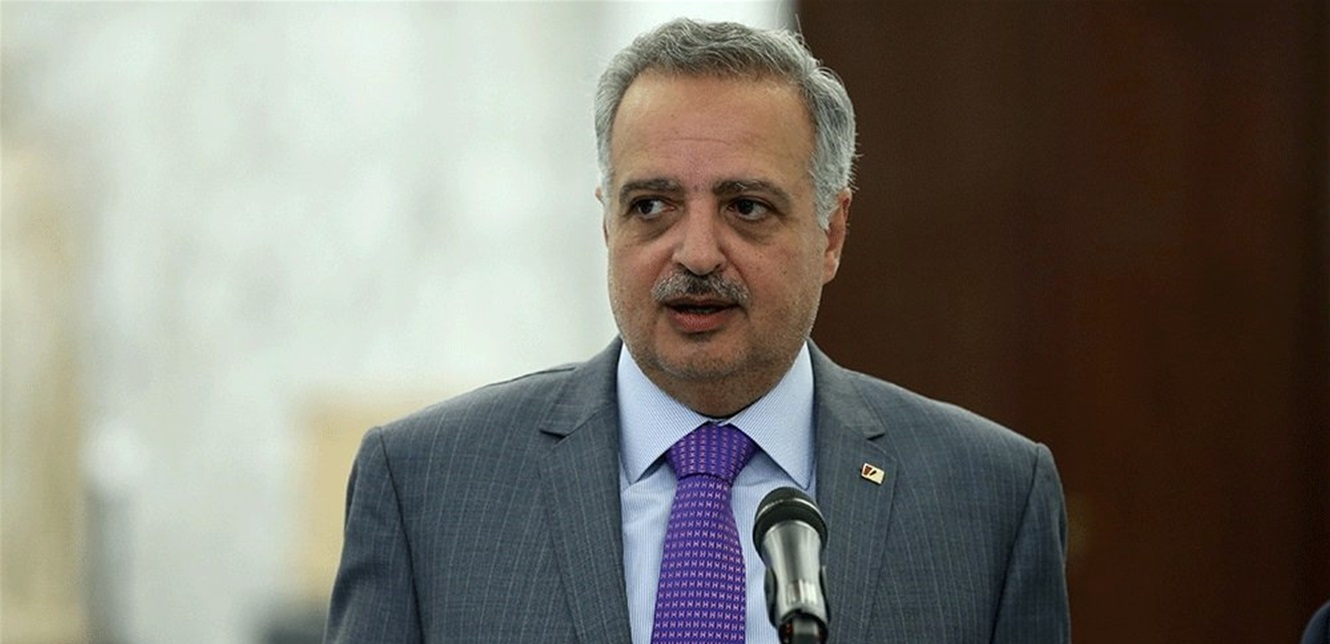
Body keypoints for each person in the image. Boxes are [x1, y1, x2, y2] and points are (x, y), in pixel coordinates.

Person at [325, 17, 1070, 644]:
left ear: (832, 233)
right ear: (607, 222)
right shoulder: (428, 485)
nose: (697, 253)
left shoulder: (989, 497)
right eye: (651, 206)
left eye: (746, 207)